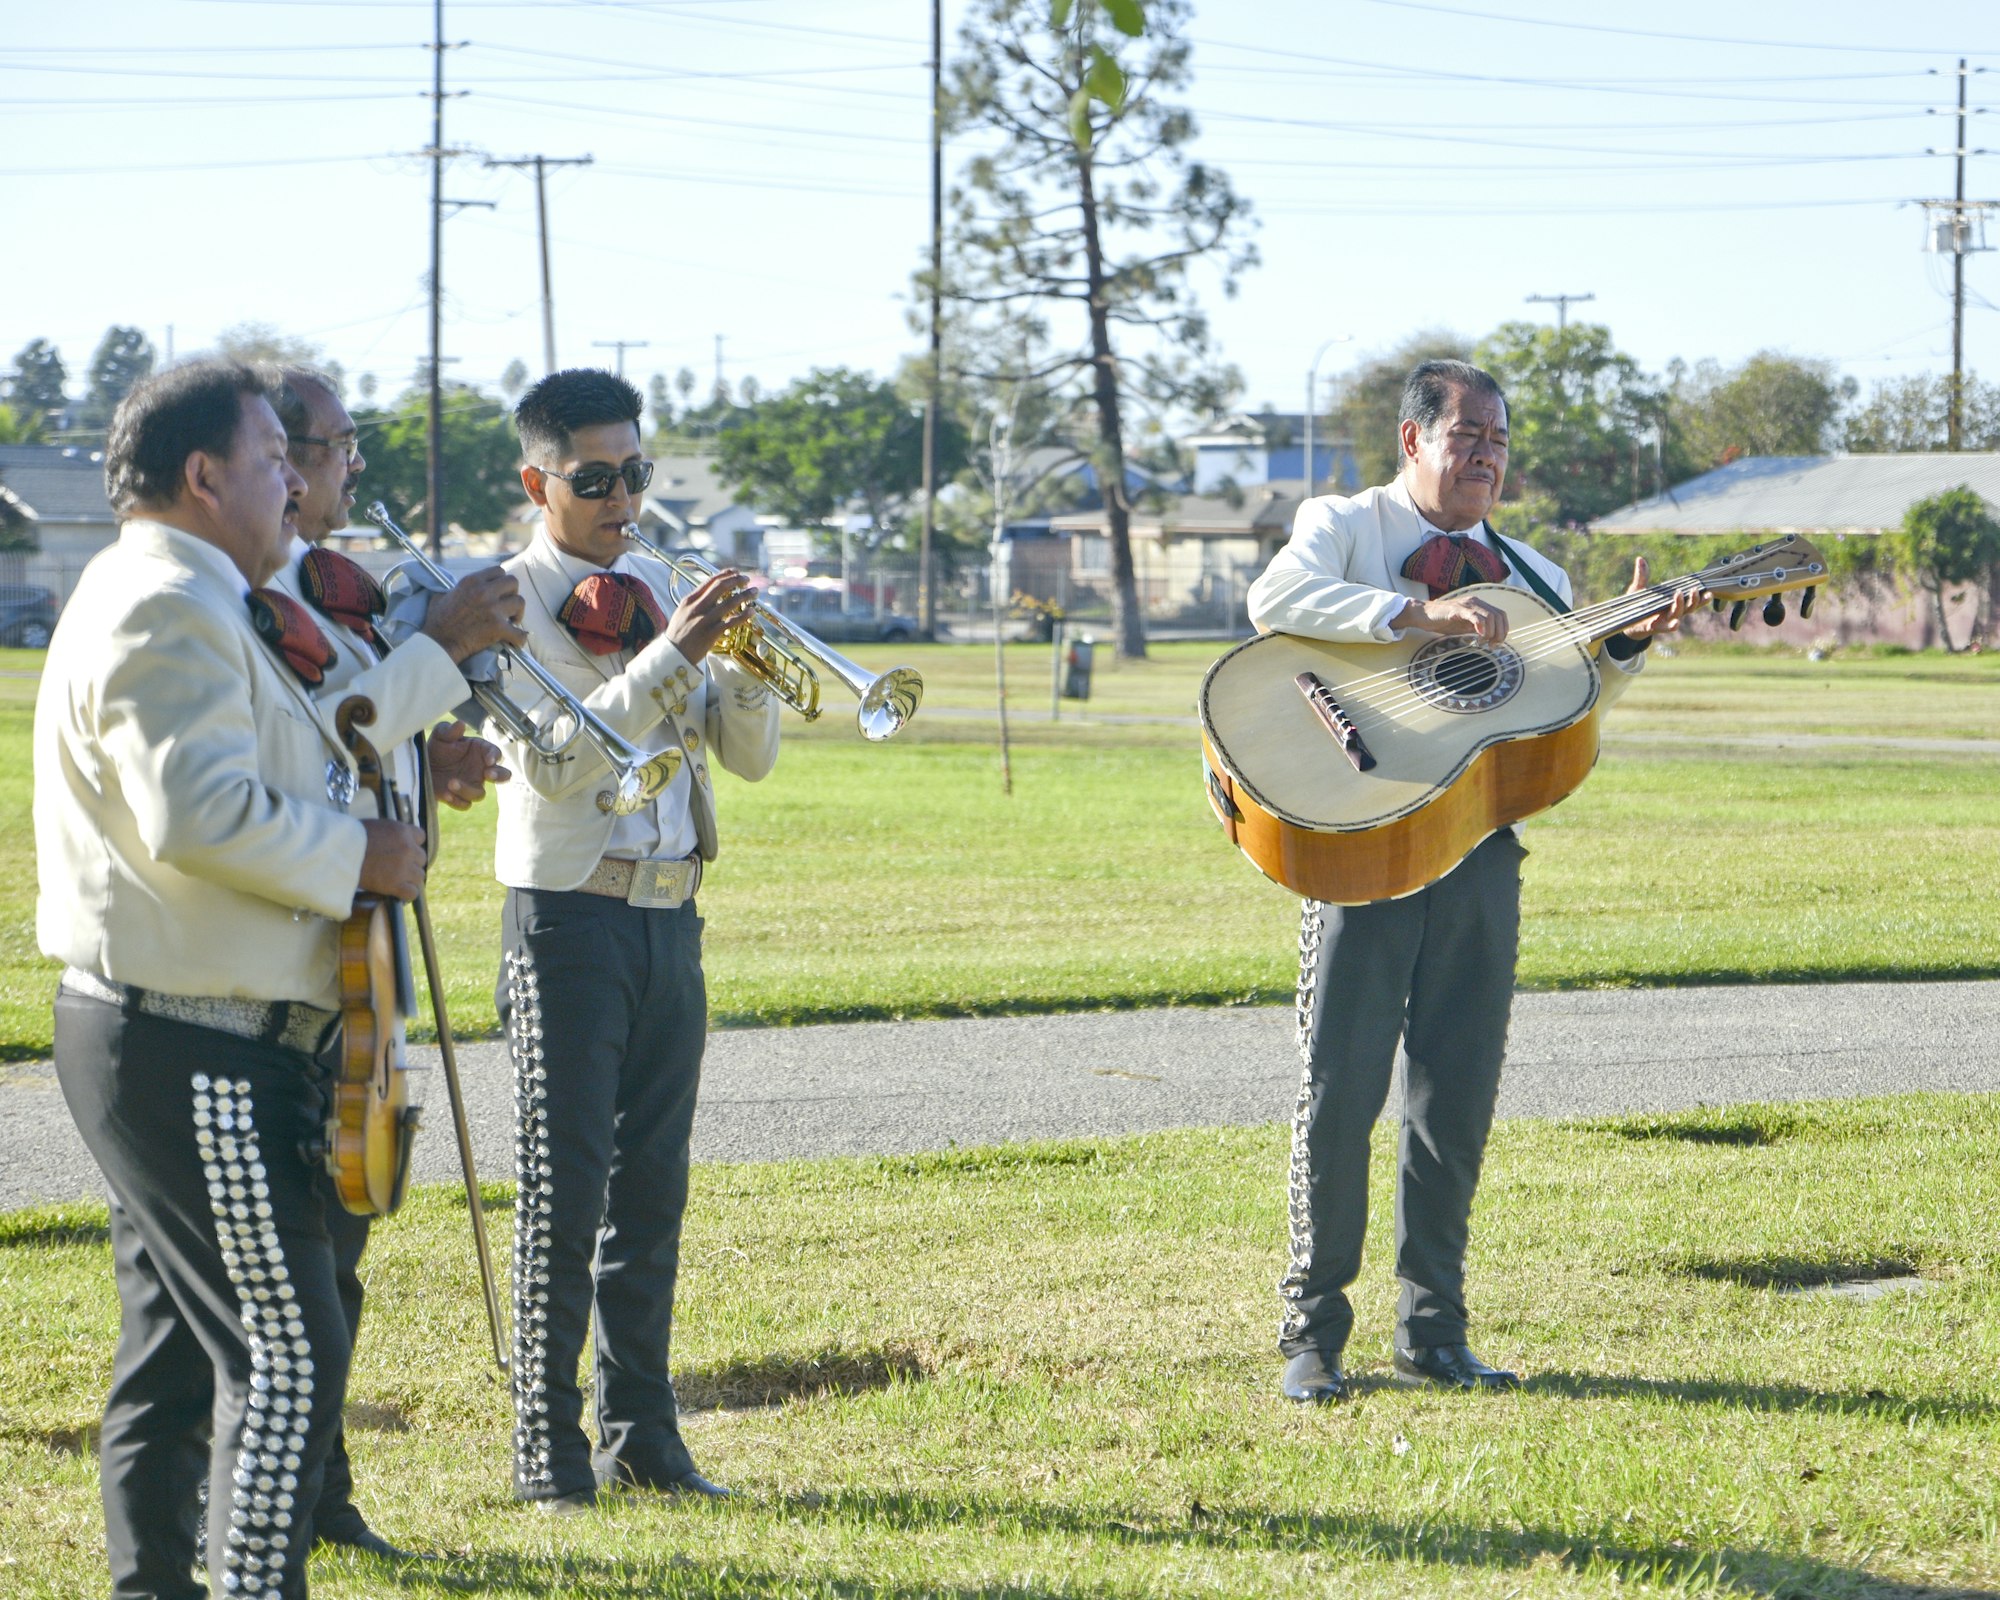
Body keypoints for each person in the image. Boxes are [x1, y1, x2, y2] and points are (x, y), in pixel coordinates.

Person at [35, 359, 428, 1599]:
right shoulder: (164, 598)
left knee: (174, 1357)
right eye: (275, 463)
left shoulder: (191, 592)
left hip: (174, 1030)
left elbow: (267, 763)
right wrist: (358, 851)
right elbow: (194, 812)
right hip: (194, 1042)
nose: (295, 492)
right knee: (290, 1355)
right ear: (203, 477)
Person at [1245, 359, 1699, 1404]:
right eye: (1469, 438)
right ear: (1413, 441)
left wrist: (1621, 646)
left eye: (1499, 443)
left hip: (1479, 851)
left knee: (1453, 1095)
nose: (1488, 458)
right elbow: (1276, 599)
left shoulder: (1529, 574)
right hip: (1360, 840)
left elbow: (1557, 712)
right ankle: (1309, 1336)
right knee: (1339, 1091)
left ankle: (1433, 1332)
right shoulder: (1346, 524)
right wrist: (1418, 621)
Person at [485, 369, 778, 1511]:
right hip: (565, 917)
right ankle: (543, 1448)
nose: (621, 498)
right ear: (537, 481)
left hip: (670, 913)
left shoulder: (658, 581)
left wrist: (740, 660)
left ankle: (642, 1432)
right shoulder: (501, 601)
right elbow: (557, 759)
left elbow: (745, 759)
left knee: (652, 1191)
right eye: (594, 478)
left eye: (633, 473)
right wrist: (674, 653)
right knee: (564, 1190)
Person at [263, 364, 526, 1559]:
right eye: (331, 445)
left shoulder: (328, 589)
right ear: (270, 451)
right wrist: (439, 642)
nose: (344, 467)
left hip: (361, 959)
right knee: (300, 1263)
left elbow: (367, 744)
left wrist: (435, 768)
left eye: (347, 445)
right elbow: (334, 729)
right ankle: (300, 1495)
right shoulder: (252, 598)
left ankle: (323, 1488)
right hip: (289, 966)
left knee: (343, 1235)